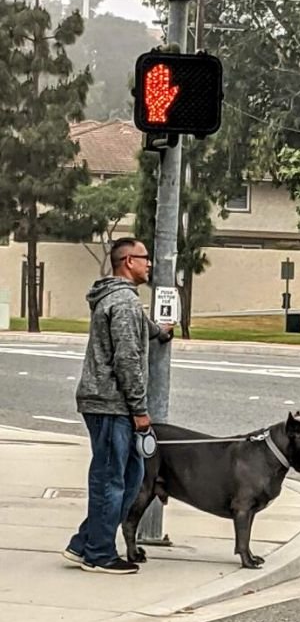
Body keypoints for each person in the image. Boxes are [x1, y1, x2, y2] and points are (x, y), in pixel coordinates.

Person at [63, 238, 173, 574]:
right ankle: (98, 554)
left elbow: (134, 331)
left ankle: (84, 543)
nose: (150, 263)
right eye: (144, 258)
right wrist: (140, 411)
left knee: (130, 475)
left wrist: (158, 331)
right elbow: (127, 358)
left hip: (109, 403)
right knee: (112, 479)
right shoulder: (124, 303)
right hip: (112, 404)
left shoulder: (117, 299)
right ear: (127, 261)